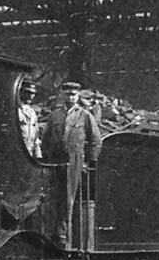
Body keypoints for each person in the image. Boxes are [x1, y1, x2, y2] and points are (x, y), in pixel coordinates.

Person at [42, 81, 102, 246]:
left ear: (78, 96)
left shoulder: (84, 115)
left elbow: (96, 141)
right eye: (67, 94)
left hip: (74, 161)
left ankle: (63, 236)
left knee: (68, 198)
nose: (70, 97)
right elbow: (46, 138)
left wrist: (88, 162)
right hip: (55, 161)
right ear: (62, 95)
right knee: (52, 197)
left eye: (73, 94)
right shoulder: (55, 115)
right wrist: (46, 157)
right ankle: (50, 233)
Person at [18, 79, 42, 158]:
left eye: (33, 93)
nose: (31, 96)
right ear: (21, 92)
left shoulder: (32, 113)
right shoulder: (16, 111)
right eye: (28, 93)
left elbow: (36, 140)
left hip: (29, 155)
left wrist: (39, 156)